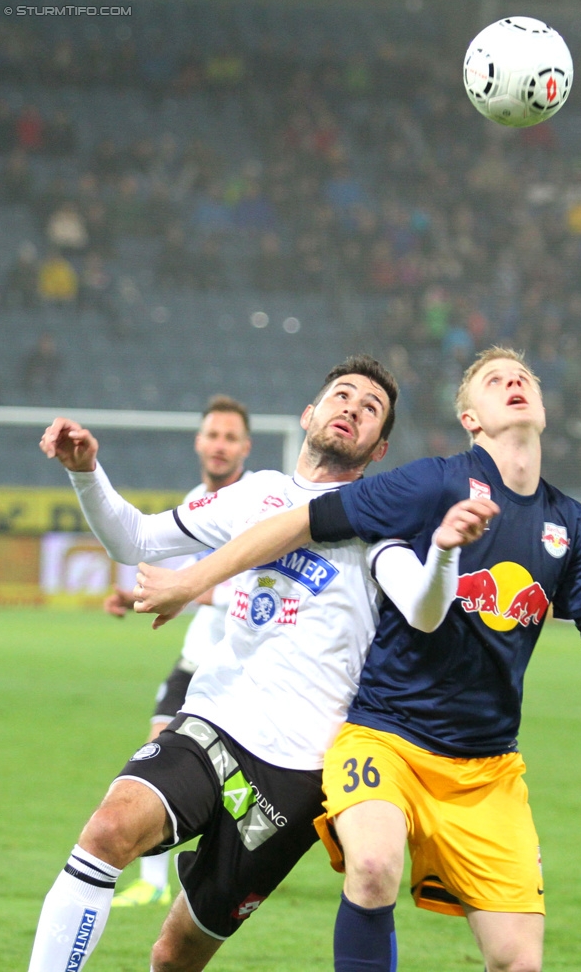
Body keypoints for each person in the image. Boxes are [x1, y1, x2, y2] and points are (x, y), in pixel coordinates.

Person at [133, 346, 581, 972]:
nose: (514, 382)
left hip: (487, 769)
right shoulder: (433, 482)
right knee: (375, 866)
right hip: (385, 737)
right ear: (471, 417)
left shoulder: (567, 521)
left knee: (519, 962)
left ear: (541, 408)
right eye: (495, 380)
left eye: (524, 378)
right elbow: (303, 521)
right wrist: (193, 581)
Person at [31, 354, 495, 972]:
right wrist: (87, 472)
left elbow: (424, 608)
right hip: (212, 722)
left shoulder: (378, 518)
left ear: (379, 448)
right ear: (309, 413)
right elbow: (135, 541)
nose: (352, 407)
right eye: (342, 394)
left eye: (370, 408)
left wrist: (442, 551)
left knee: (174, 956)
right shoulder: (256, 494)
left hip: (297, 771)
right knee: (109, 830)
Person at [104, 393, 252, 908]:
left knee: (238, 781)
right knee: (154, 753)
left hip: (242, 666)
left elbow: (249, 591)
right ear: (199, 441)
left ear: (246, 447)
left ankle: (237, 860)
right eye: (213, 434)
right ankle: (154, 881)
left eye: (230, 437)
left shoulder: (261, 507)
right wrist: (138, 594)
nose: (219, 445)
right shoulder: (196, 500)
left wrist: (187, 590)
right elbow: (181, 578)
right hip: (197, 657)